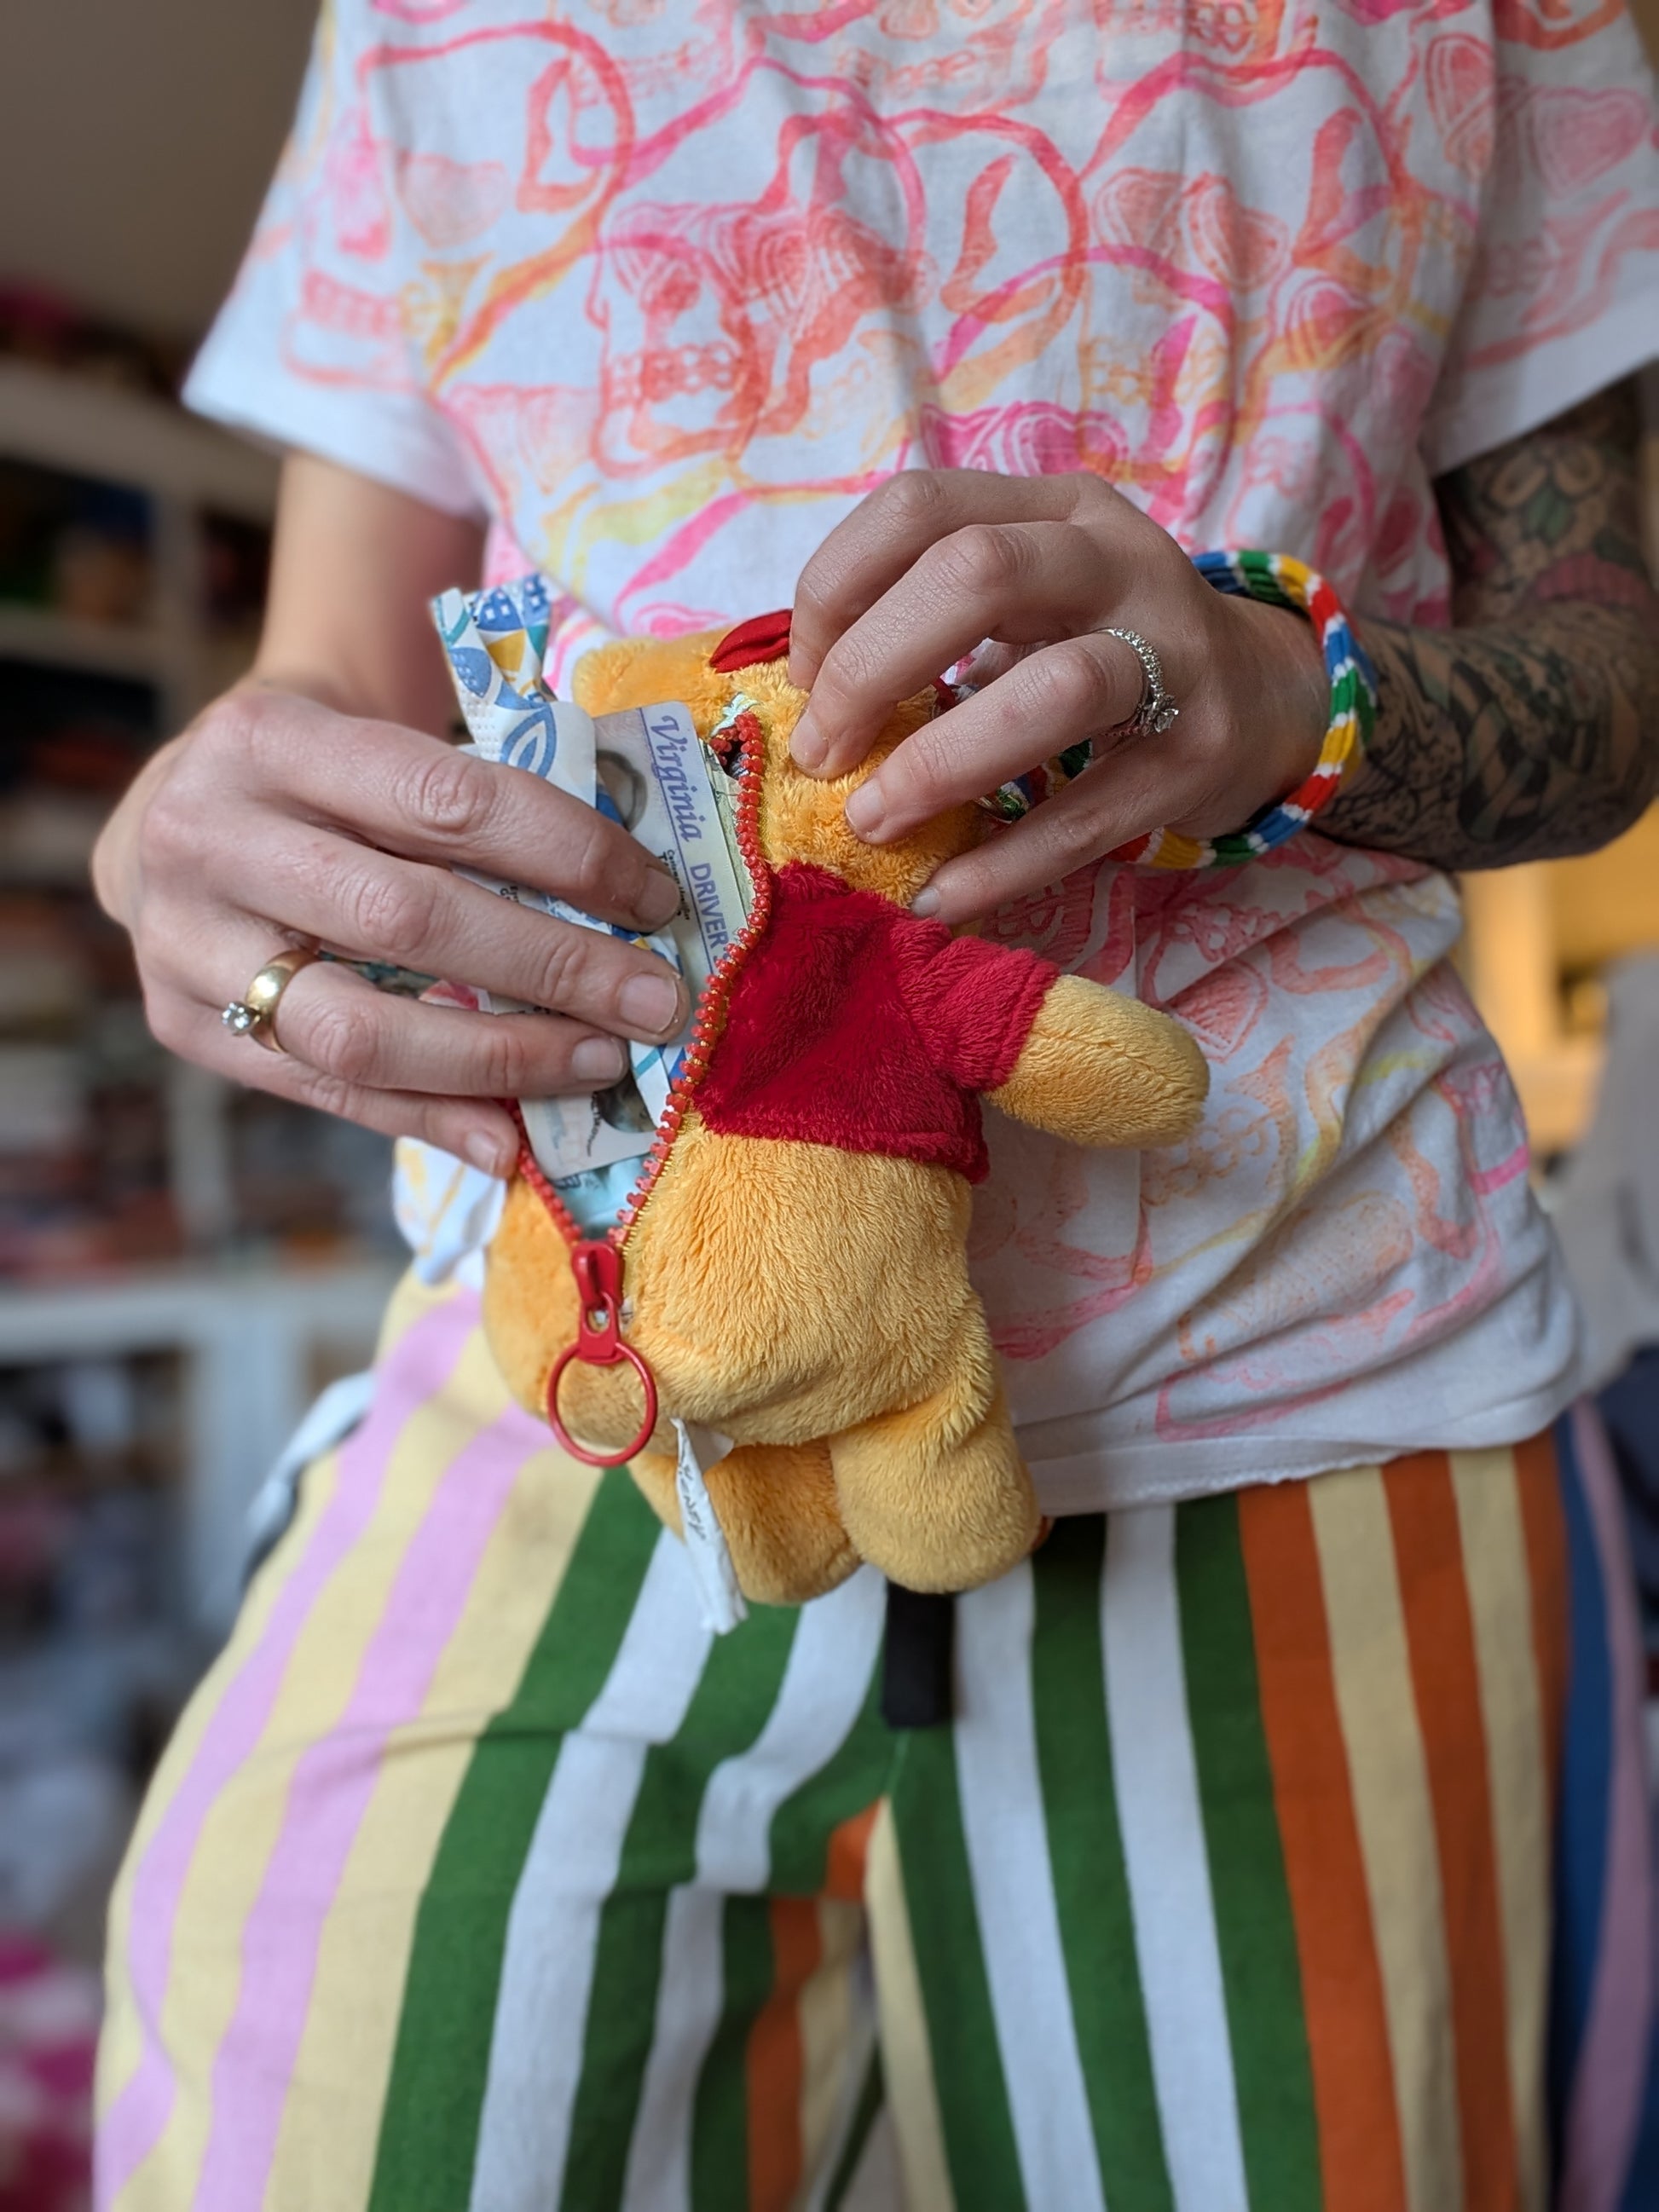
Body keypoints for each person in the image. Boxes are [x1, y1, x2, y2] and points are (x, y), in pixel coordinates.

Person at [92, 3, 1659, 2207]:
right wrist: (199, 846)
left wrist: (1277, 692)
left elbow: (1604, 683)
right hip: (571, 1364)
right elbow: (328, 678)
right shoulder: (414, 23)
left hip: (1321, 1366)